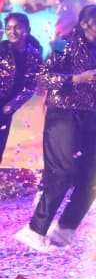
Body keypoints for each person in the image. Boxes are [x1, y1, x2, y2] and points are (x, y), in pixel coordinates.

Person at [14, 4, 96, 253]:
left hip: (90, 115)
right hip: (62, 114)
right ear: (83, 24)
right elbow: (43, 77)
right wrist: (76, 79)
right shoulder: (64, 44)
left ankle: (64, 230)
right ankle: (35, 230)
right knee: (64, 171)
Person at [0, 12, 44, 165]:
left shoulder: (34, 55)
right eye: (8, 28)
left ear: (27, 30)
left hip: (7, 106)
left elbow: (31, 85)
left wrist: (13, 104)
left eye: (17, 27)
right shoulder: (2, 49)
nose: (12, 32)